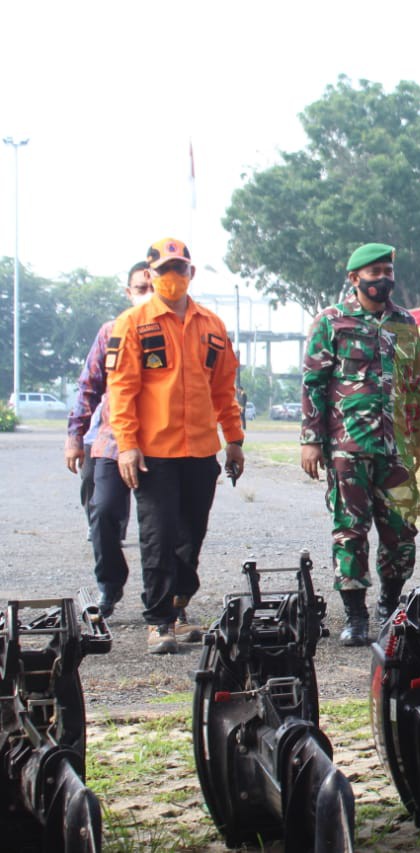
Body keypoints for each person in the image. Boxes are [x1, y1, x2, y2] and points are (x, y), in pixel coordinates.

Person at [107, 239, 244, 654]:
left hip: (201, 451)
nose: (172, 277)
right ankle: (158, 621)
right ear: (150, 275)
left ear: (191, 274)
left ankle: (178, 610)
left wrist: (234, 440)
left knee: (191, 537)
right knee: (158, 536)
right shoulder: (132, 323)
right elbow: (122, 390)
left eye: (179, 269)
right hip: (154, 454)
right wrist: (127, 445)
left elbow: (224, 389)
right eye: (164, 270)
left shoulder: (212, 326)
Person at [301, 242, 420, 645]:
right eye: (373, 273)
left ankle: (390, 607)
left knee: (401, 532)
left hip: (396, 449)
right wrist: (312, 440)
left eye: (387, 271)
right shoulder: (332, 322)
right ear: (354, 278)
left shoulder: (405, 322)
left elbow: (417, 383)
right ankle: (356, 616)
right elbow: (314, 383)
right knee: (350, 532)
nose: (383, 279)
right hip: (348, 448)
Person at [66, 260, 152, 616]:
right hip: (112, 441)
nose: (148, 296)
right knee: (102, 512)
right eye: (140, 289)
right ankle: (109, 585)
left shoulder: (178, 333)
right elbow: (89, 386)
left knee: (161, 529)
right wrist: (75, 436)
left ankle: (164, 600)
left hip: (160, 443)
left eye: (154, 288)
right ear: (128, 293)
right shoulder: (111, 331)